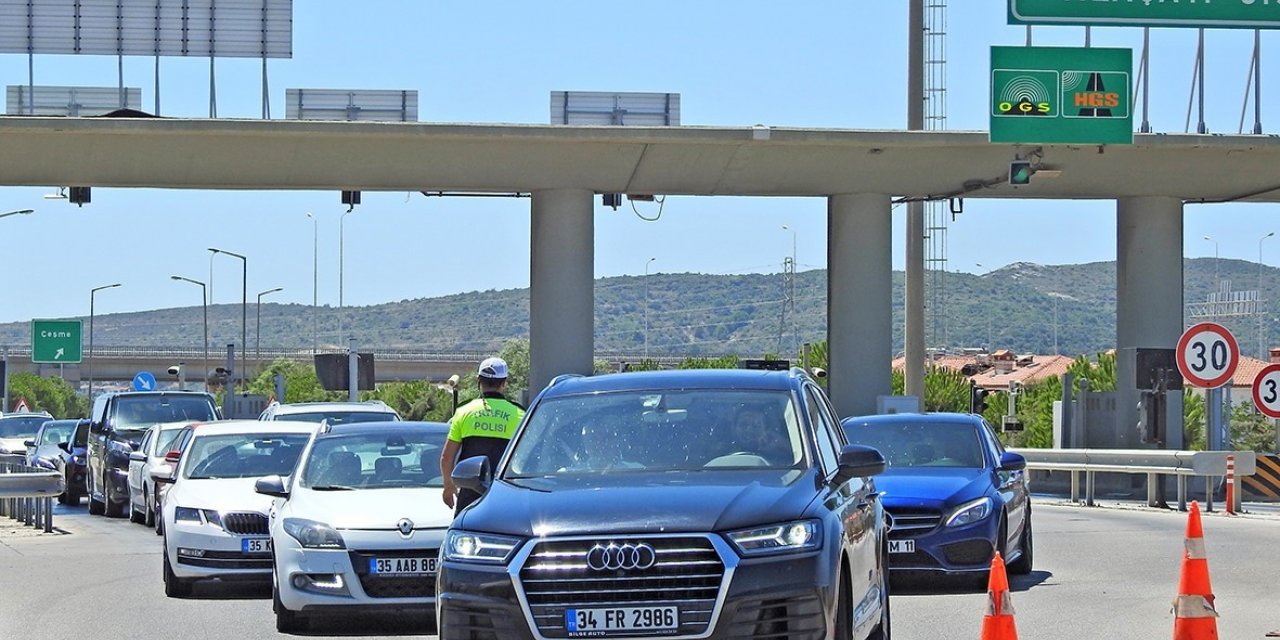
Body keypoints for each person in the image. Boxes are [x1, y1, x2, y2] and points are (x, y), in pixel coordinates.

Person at [440, 357, 525, 515]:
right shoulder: (520, 415)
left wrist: (448, 486)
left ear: (478, 380)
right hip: (506, 495)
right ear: (504, 383)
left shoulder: (464, 412)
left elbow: (446, 457)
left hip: (469, 497)